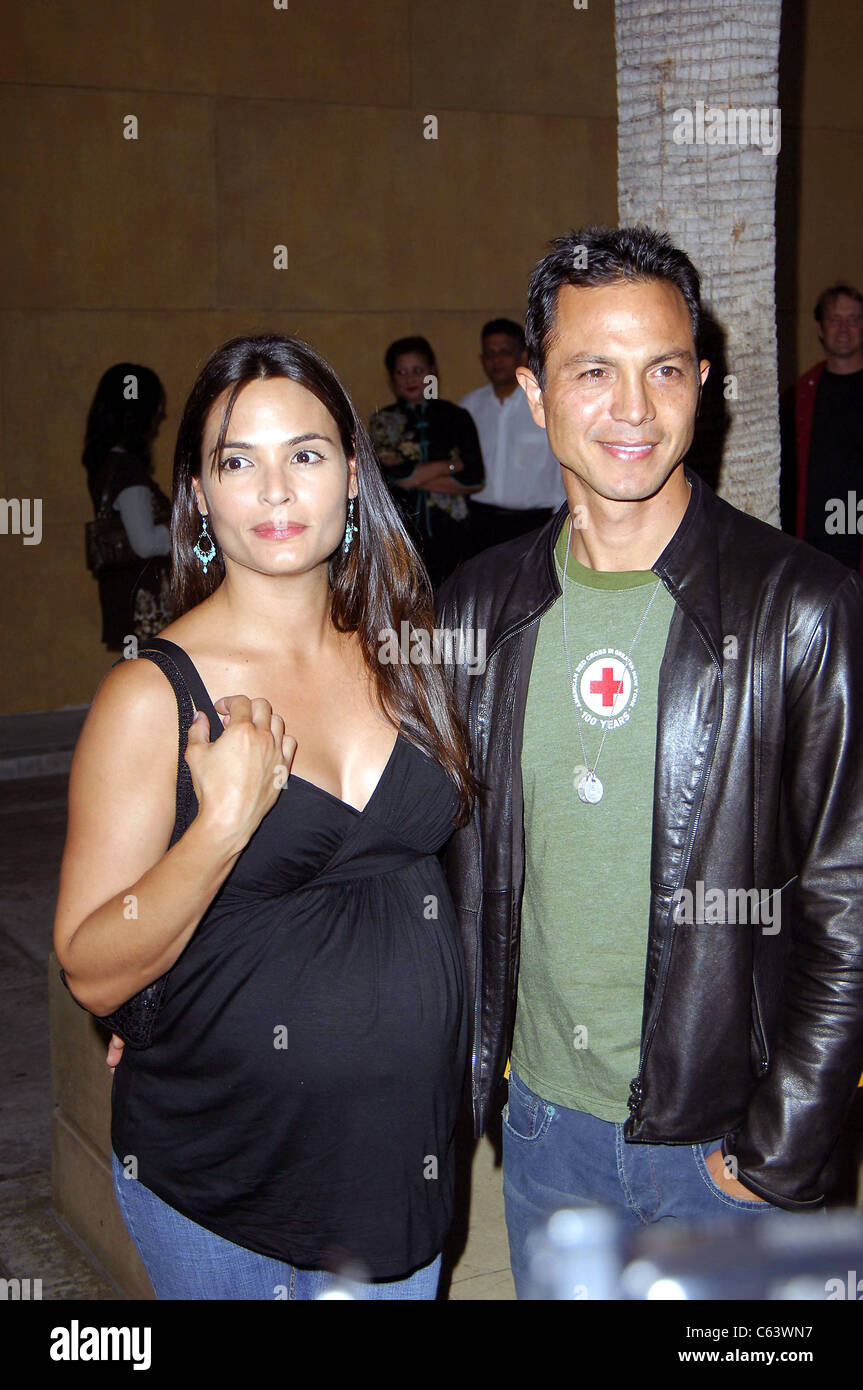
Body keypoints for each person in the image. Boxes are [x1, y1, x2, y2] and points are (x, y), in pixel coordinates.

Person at [436, 226, 863, 1298]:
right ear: (534, 392)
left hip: (726, 1148)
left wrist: (773, 1153)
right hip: (542, 1129)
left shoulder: (798, 610)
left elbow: (847, 899)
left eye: (662, 368)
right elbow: (406, 858)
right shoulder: (477, 609)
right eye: (592, 370)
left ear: (701, 383)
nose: (631, 408)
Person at [55, 335, 476, 1300]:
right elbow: (91, 963)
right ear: (198, 498)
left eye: (306, 454)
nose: (276, 491)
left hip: (402, 1180)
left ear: (352, 477)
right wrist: (219, 828)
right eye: (237, 461)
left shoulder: (407, 652)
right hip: (228, 1186)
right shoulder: (153, 696)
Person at [369, 336, 484, 587]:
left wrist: (412, 476)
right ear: (392, 378)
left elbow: (475, 478)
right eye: (402, 372)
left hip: (453, 534)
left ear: (432, 372)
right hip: (401, 533)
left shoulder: (456, 417)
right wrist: (450, 465)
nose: (410, 379)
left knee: (453, 606)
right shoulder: (383, 420)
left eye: (418, 371)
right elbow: (390, 477)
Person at [83, 363, 173, 649]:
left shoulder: (105, 465)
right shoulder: (126, 469)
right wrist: (186, 532)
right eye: (156, 412)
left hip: (124, 597)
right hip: (144, 601)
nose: (159, 420)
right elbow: (145, 542)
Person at [459, 318, 565, 554]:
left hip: (535, 524)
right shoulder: (469, 406)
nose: (496, 360)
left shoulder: (544, 404)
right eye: (490, 354)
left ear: (524, 355)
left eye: (505, 352)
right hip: (480, 522)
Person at [787, 283, 863, 573]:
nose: (844, 329)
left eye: (853, 319)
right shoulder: (800, 395)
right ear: (820, 327)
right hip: (817, 545)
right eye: (835, 319)